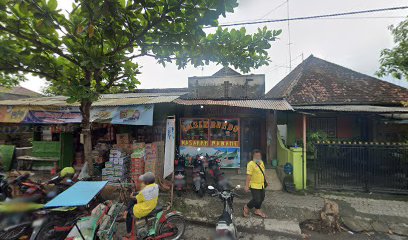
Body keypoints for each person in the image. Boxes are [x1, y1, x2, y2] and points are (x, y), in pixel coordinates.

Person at [123, 172, 159, 238]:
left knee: (130, 210)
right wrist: (136, 194)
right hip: (152, 203)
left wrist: (131, 196)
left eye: (144, 180)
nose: (143, 181)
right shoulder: (156, 186)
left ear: (147, 182)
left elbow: (136, 198)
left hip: (145, 208)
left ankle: (129, 232)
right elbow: (142, 194)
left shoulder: (144, 191)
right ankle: (126, 210)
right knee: (132, 201)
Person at [243, 149, 268, 218]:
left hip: (262, 184)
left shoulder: (261, 162)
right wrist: (246, 185)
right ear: (252, 156)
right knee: (256, 199)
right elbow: (249, 175)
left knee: (262, 198)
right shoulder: (250, 164)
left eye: (259, 155)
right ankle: (247, 207)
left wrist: (266, 180)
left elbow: (263, 172)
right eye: (256, 155)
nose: (257, 157)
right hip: (254, 185)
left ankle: (257, 210)